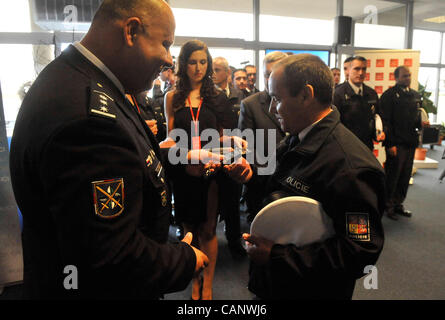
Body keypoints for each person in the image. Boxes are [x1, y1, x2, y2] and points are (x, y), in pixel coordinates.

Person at [9, 0, 211, 299]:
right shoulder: (87, 118)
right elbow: (114, 258)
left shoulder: (76, 78)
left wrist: (180, 158)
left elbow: (126, 156)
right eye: (165, 44)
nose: (169, 59)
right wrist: (185, 258)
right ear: (131, 31)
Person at [241, 54, 386, 300]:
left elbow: (359, 252)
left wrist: (277, 256)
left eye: (277, 98)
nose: (271, 108)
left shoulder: (351, 167)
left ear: (306, 95)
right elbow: (277, 185)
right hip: (279, 283)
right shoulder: (298, 137)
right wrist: (249, 176)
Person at [164, 40, 246, 300]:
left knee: (209, 229)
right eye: (192, 62)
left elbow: (220, 137)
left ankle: (207, 284)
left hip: (211, 170)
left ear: (208, 65)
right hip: (185, 168)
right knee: (190, 229)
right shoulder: (172, 97)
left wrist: (231, 141)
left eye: (203, 62)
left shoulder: (216, 97)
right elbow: (170, 138)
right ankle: (195, 281)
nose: (198, 68)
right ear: (183, 65)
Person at [238, 51, 287, 221]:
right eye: (267, 74)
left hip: (294, 186)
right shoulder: (250, 105)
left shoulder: (298, 101)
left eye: (274, 74)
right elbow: (246, 149)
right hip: (261, 187)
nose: (269, 80)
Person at [213, 56, 246, 257]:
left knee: (233, 198)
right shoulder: (207, 96)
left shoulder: (240, 96)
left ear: (227, 73)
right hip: (212, 151)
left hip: (234, 151)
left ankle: (234, 239)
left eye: (217, 69)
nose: (212, 73)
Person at [380, 66, 423, 220]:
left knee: (405, 176)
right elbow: (386, 122)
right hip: (396, 144)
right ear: (396, 77)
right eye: (404, 76)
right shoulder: (389, 96)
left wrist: (422, 123)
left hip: (410, 142)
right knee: (393, 176)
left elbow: (417, 117)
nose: (408, 78)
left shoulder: (415, 95)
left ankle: (399, 203)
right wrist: (390, 144)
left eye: (409, 75)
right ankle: (388, 205)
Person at [334, 56, 384, 151]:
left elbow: (378, 117)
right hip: (345, 148)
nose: (360, 73)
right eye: (357, 69)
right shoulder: (338, 94)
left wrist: (380, 132)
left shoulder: (371, 94)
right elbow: (334, 124)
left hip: (367, 146)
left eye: (363, 69)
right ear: (348, 70)